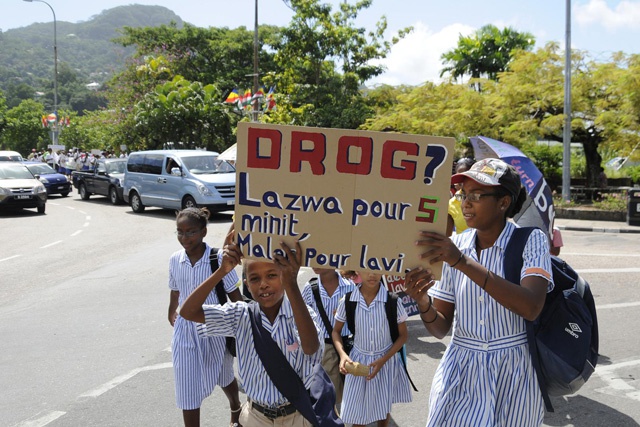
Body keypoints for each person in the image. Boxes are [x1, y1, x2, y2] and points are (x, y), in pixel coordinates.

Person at [404, 158, 553, 427]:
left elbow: (531, 306)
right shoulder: (455, 246)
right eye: (463, 195)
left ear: (504, 202)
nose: (466, 203)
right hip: (460, 369)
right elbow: (440, 328)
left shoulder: (531, 240)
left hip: (514, 371)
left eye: (476, 195)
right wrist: (423, 301)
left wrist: (461, 261)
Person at [180, 235, 324, 427]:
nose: (263, 284)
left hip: (297, 416)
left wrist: (291, 285)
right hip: (257, 417)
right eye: (255, 279)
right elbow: (188, 311)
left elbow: (311, 347)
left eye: (272, 275)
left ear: (284, 276)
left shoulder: (300, 313)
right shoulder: (241, 315)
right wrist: (221, 272)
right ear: (247, 285)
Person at [168, 207, 244, 427]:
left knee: (224, 375)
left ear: (204, 232)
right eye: (180, 232)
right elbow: (175, 289)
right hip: (186, 330)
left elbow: (235, 295)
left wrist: (244, 324)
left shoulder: (219, 259)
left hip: (216, 327)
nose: (184, 238)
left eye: (190, 232)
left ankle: (235, 406)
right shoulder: (175, 260)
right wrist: (172, 309)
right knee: (187, 386)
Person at [331, 271, 412, 427]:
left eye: (376, 270)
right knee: (357, 415)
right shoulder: (348, 300)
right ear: (358, 270)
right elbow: (336, 331)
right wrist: (342, 355)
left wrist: (383, 360)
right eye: (367, 269)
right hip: (358, 361)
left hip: (386, 361)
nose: (372, 275)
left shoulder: (393, 301)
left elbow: (403, 336)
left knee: (383, 408)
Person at [301, 268, 355, 409]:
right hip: (324, 348)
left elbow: (359, 315)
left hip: (348, 346)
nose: (315, 263)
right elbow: (302, 318)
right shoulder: (310, 288)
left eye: (320, 257)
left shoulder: (349, 286)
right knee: (329, 393)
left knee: (351, 389)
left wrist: (346, 313)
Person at [447, 158, 475, 236]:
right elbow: (447, 237)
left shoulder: (486, 198)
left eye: (468, 176)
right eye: (461, 177)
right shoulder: (451, 204)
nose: (464, 181)